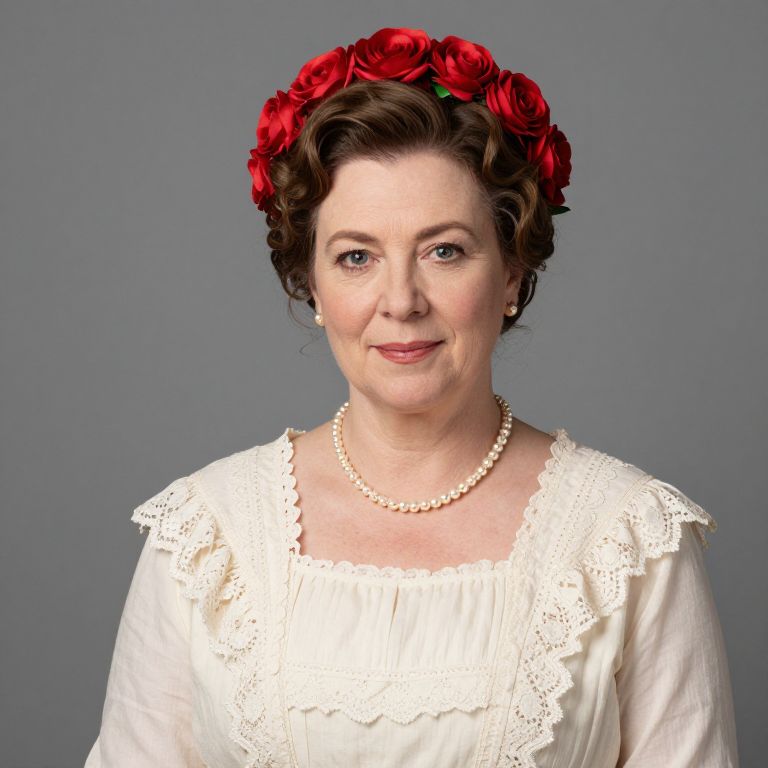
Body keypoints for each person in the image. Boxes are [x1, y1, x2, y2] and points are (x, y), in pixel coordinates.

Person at [84, 27, 739, 768]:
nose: (400, 300)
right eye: (356, 257)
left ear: (513, 276)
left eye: (445, 250)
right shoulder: (208, 536)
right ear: (314, 288)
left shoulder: (628, 540)